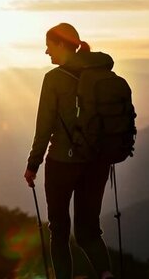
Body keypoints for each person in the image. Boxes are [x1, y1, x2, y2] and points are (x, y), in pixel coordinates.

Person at [24, 23, 115, 279]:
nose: (46, 52)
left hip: (63, 163)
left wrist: (33, 165)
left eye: (49, 45)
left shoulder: (54, 80)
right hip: (97, 164)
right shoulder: (101, 73)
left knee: (60, 231)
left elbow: (44, 127)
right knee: (89, 232)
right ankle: (106, 274)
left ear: (62, 44)